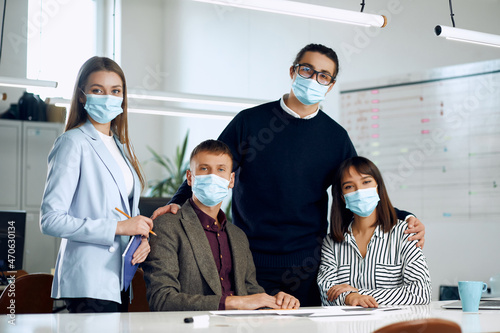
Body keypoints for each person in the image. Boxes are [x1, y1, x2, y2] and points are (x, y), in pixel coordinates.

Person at [152, 44, 425, 306]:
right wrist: (174, 202)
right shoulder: (249, 122)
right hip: (247, 259)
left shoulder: (335, 137)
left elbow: (358, 187)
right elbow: (213, 167)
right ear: (293, 71)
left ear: (330, 85)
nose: (313, 79)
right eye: (307, 70)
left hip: (306, 264)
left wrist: (404, 217)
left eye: (323, 75)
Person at [40, 56, 154, 313]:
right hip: (88, 280)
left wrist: (139, 237)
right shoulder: (73, 143)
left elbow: (123, 213)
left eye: (115, 91)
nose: (108, 97)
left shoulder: (120, 147)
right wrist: (119, 227)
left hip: (119, 280)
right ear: (82, 95)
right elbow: (50, 220)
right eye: (97, 90)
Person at [143, 140, 299, 311]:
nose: (212, 176)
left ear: (231, 180)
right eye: (204, 169)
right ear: (189, 177)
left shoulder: (238, 236)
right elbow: (162, 299)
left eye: (221, 170)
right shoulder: (167, 226)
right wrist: (231, 302)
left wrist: (275, 301)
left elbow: (252, 293)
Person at [317, 156, 431, 307]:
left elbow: (421, 293)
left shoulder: (404, 233)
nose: (359, 191)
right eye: (349, 186)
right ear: (343, 197)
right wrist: (350, 297)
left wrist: (356, 295)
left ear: (378, 186)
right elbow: (326, 294)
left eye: (366, 182)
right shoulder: (331, 242)